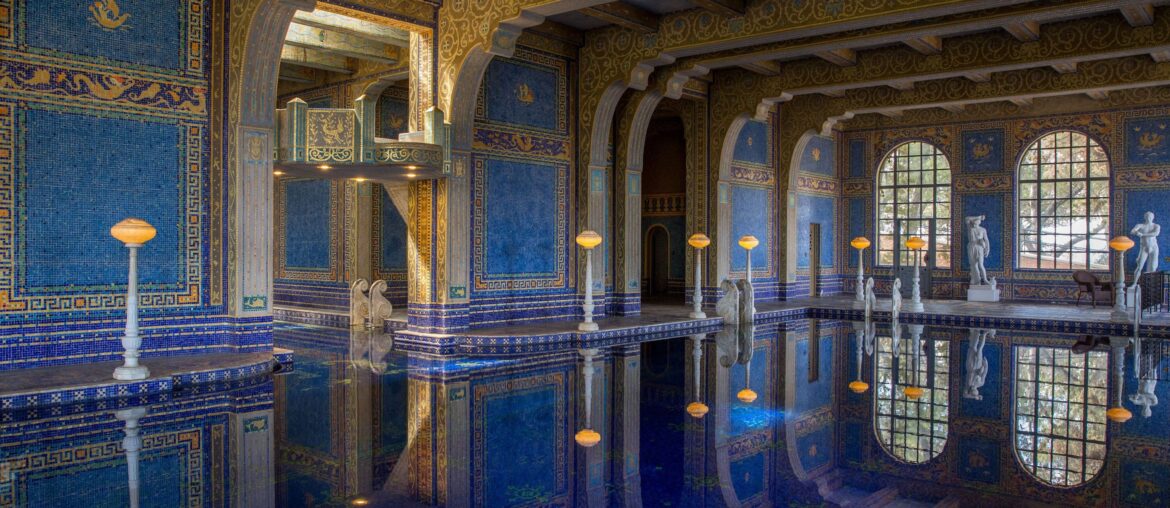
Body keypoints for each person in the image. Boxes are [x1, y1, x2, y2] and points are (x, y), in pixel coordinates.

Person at [1131, 211, 1161, 285]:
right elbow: (1132, 231)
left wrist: (1142, 234)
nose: (1149, 218)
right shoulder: (1140, 225)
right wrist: (1136, 232)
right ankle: (1134, 284)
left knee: (1153, 267)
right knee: (1139, 267)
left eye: (1150, 216)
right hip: (1144, 248)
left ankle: (1151, 284)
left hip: (1154, 248)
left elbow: (1156, 233)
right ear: (1145, 217)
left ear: (1153, 217)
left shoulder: (1156, 226)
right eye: (1147, 216)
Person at [967, 215, 991, 286]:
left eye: (976, 222)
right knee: (973, 265)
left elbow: (986, 240)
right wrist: (979, 217)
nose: (974, 223)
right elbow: (967, 218)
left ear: (979, 222)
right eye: (973, 222)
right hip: (971, 247)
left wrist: (987, 249)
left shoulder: (983, 229)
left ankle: (985, 279)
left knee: (980, 264)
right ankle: (977, 281)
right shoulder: (970, 228)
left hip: (979, 247)